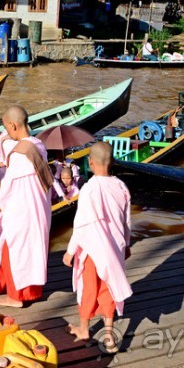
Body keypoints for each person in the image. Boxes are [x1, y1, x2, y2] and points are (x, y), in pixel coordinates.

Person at [63, 142, 133, 353]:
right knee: (108, 288)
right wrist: (127, 244)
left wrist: (70, 251)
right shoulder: (121, 186)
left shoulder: (89, 189)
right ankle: (109, 336)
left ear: (90, 163)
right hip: (114, 248)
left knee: (88, 289)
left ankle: (84, 330)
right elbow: (126, 221)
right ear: (111, 162)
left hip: (92, 251)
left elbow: (81, 225)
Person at [0, 105, 53, 308]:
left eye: (7, 128)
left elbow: (8, 187)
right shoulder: (38, 146)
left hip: (22, 211)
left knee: (14, 250)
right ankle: (29, 292)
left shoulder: (19, 155)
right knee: (32, 250)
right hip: (39, 209)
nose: (6, 132)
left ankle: (16, 297)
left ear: (13, 125)